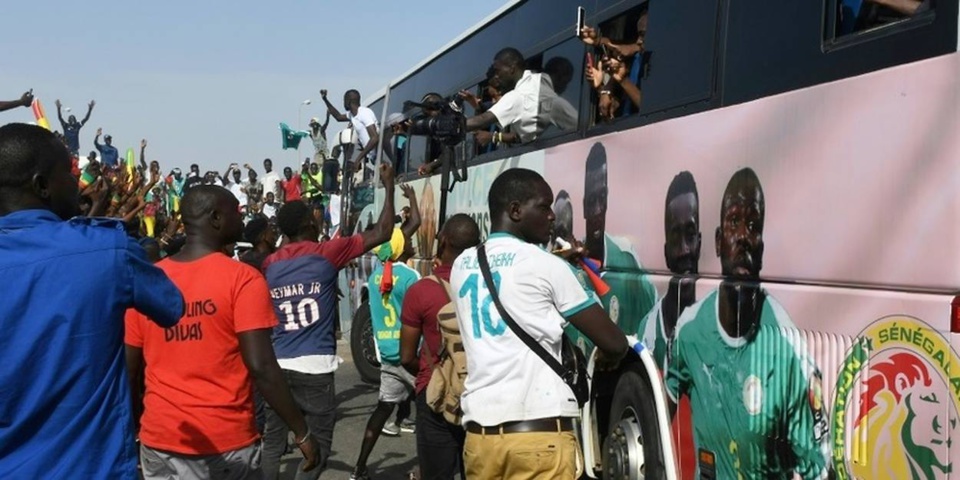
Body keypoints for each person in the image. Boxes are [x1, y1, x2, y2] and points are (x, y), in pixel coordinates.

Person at [0, 123, 184, 478]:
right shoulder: (106, 249)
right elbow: (171, 305)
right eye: (69, 174)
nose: (80, 184)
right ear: (41, 186)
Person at [125, 186, 320, 479]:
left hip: (160, 441)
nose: (241, 218)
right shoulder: (242, 280)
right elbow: (262, 366)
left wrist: (134, 432)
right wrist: (301, 431)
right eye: (235, 212)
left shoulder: (148, 280)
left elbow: (129, 370)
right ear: (216, 218)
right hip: (226, 443)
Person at [451, 168, 629, 479]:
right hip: (538, 440)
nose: (552, 217)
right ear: (516, 210)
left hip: (480, 442)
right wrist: (576, 275)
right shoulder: (547, 266)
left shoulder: (462, 265)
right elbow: (614, 342)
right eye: (544, 206)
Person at [666, 167, 830, 479]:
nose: (743, 237)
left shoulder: (788, 350)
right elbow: (659, 412)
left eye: (753, 226)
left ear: (762, 249)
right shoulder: (690, 331)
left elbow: (820, 469)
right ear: (717, 241)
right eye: (734, 222)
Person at [260, 163, 398, 479]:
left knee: (273, 443)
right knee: (318, 447)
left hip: (279, 366)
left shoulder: (270, 264)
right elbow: (383, 232)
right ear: (310, 222)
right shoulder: (326, 253)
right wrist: (388, 186)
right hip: (316, 369)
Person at [400, 213, 481, 480]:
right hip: (481, 392)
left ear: (443, 241)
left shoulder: (421, 291)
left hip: (435, 394)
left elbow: (406, 356)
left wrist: (434, 372)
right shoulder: (487, 288)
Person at [351, 185, 422, 480]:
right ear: (400, 247)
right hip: (413, 356)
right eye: (405, 239)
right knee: (435, 415)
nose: (410, 240)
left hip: (389, 357)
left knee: (382, 411)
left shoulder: (377, 276)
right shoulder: (410, 276)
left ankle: (359, 468)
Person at [582, 142, 658, 334]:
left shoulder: (626, 257)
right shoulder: (571, 261)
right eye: (591, 202)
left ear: (607, 200)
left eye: (601, 198)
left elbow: (651, 316)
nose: (598, 210)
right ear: (583, 207)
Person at [637, 171, 701, 370]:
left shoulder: (711, 326)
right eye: (675, 238)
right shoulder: (647, 329)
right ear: (665, 252)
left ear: (700, 243)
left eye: (690, 235)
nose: (684, 250)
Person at [464, 47, 577, 147]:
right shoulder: (535, 82)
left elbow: (482, 120)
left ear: (512, 68)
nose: (497, 77)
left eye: (498, 71)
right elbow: (520, 137)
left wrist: (452, 125)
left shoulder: (520, 95)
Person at [321, 88, 379, 174]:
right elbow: (338, 117)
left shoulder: (364, 113)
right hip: (372, 157)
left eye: (344, 100)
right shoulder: (352, 115)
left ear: (348, 101)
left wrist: (358, 159)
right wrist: (325, 100)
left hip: (380, 155)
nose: (343, 103)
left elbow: (374, 138)